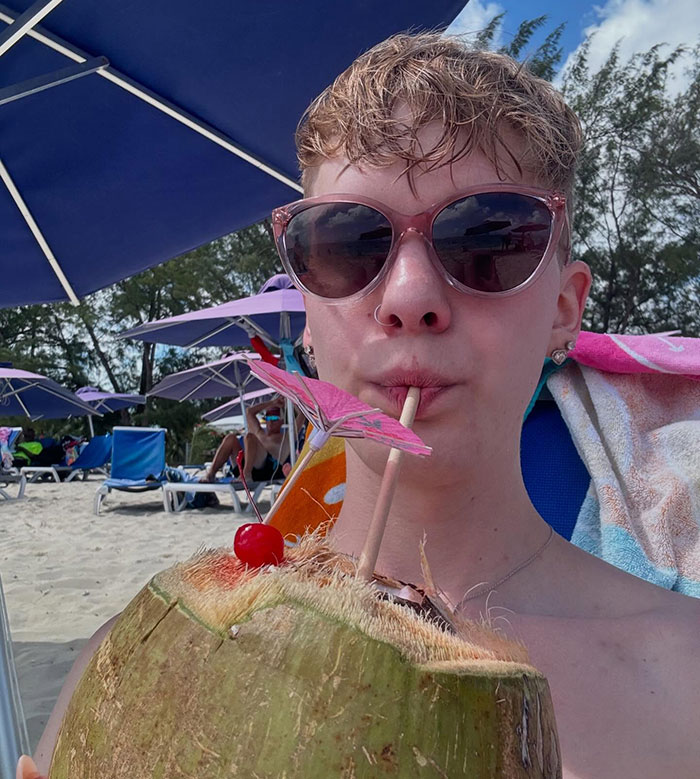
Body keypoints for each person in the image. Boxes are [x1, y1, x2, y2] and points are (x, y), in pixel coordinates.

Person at [21, 33, 700, 779]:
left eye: (488, 237)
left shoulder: (684, 681)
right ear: (306, 315)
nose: (410, 299)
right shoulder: (129, 664)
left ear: (566, 310)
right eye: (346, 243)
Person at [201, 398, 297, 482]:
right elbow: (249, 412)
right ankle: (211, 473)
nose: (271, 421)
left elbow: (303, 414)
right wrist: (273, 403)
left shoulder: (288, 437)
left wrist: (292, 400)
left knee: (250, 437)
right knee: (230, 438)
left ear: (282, 421)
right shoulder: (260, 433)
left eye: (275, 417)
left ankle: (246, 474)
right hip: (246, 467)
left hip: (267, 471)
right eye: (268, 417)